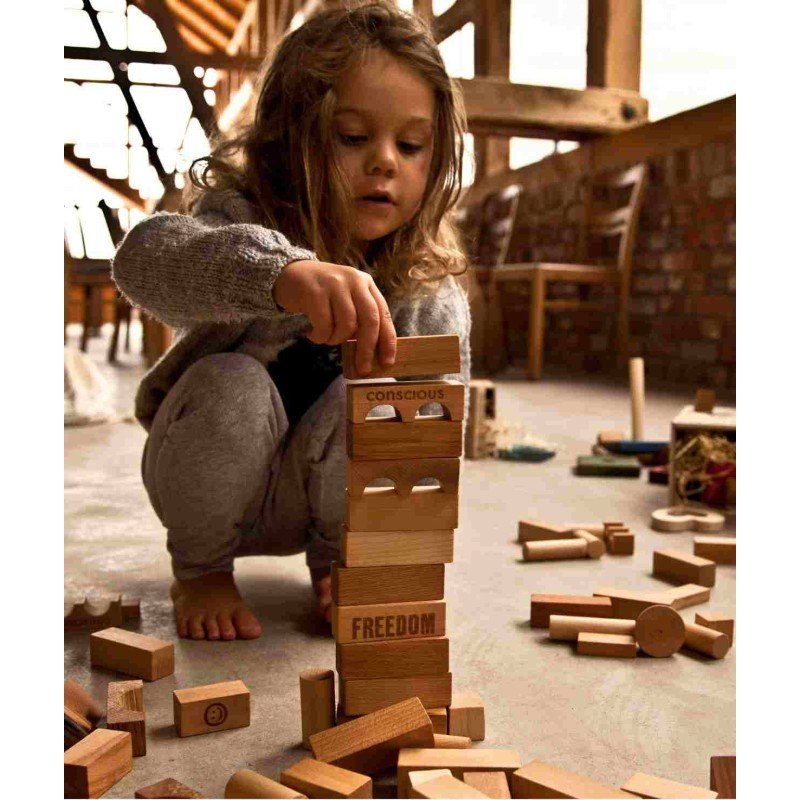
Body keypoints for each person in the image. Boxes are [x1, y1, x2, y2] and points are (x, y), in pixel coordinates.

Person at [112, 1, 471, 641]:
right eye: (352, 137)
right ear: (288, 140)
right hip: (208, 478)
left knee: (380, 403)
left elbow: (434, 436)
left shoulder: (425, 286)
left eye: (411, 145)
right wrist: (277, 275)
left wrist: (385, 552)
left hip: (322, 500)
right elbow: (143, 259)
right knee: (234, 383)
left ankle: (337, 560)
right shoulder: (242, 217)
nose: (385, 161)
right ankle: (201, 571)